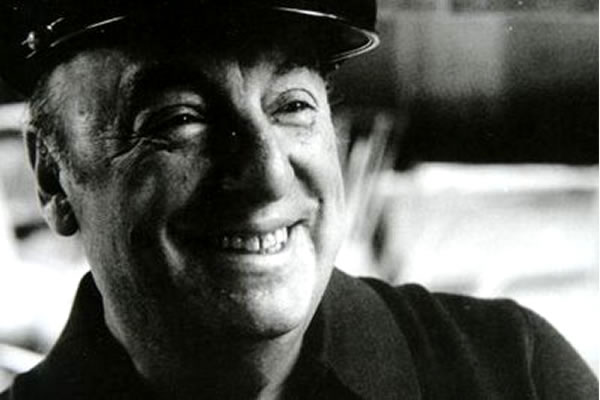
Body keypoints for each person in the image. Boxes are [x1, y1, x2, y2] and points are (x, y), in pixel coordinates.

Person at [0, 1, 597, 399]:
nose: (267, 175)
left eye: (292, 106)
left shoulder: (515, 372)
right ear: (52, 175)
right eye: (179, 118)